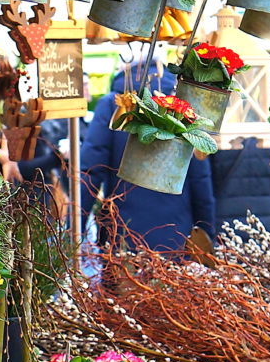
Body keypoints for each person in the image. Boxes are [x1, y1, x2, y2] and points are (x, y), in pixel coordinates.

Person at [81, 62, 216, 251]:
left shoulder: (112, 105)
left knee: (125, 279)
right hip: (176, 236)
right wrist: (207, 232)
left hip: (123, 236)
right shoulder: (185, 108)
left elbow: (91, 172)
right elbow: (200, 179)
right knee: (173, 280)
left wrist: (74, 231)